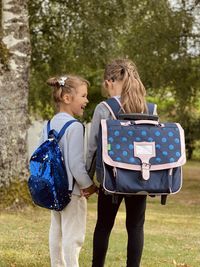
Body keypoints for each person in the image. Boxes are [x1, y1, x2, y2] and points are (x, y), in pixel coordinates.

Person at [86, 59, 157, 267]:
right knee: (135, 227)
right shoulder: (149, 108)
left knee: (104, 226)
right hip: (140, 177)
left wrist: (86, 179)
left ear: (109, 82)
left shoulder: (104, 107)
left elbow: (92, 148)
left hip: (112, 179)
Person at [39, 75, 97, 267]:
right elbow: (76, 166)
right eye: (83, 95)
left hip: (52, 190)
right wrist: (90, 186)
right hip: (72, 193)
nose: (86, 100)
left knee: (56, 231)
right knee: (73, 236)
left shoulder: (47, 125)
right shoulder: (74, 127)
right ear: (67, 98)